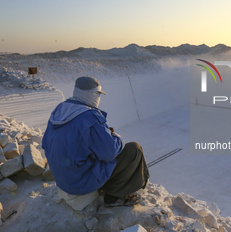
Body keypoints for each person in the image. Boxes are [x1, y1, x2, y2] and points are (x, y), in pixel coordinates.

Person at [42, 76, 150, 207]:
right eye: (98, 94)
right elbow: (110, 153)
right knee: (134, 149)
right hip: (79, 183)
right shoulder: (91, 117)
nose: (99, 98)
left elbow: (49, 143)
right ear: (91, 94)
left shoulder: (61, 110)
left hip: (62, 178)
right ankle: (115, 196)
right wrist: (117, 138)